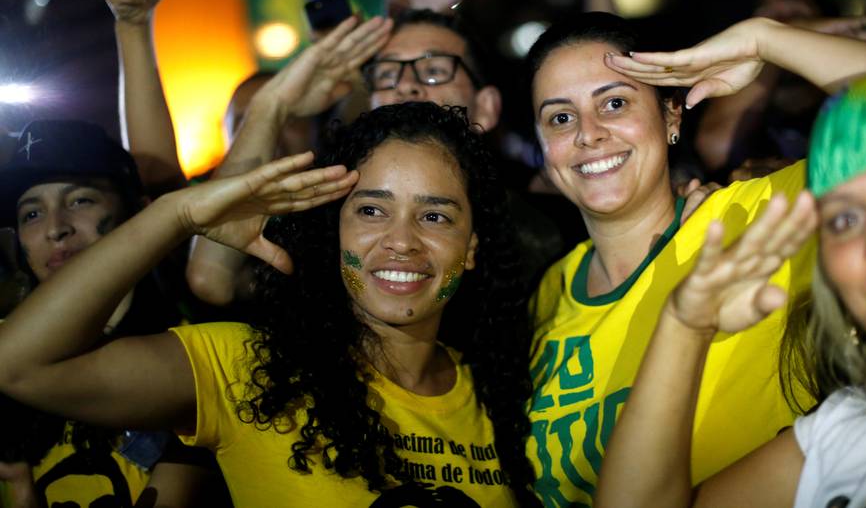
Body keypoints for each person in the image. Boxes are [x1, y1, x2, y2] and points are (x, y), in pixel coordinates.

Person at [0, 103, 540, 507]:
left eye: (436, 217)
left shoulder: (507, 392)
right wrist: (177, 215)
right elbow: (19, 365)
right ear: (334, 232)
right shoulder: (247, 367)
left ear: (470, 249)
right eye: (372, 211)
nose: (401, 241)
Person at [523, 11, 866, 505]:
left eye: (614, 103)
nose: (588, 134)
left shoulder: (756, 217)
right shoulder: (546, 292)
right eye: (560, 118)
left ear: (671, 115)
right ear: (542, 146)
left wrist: (766, 39)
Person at [0, 119, 227, 508]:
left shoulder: (193, 344)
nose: (56, 229)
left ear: (138, 213)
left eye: (80, 201)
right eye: (31, 214)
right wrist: (20, 488)